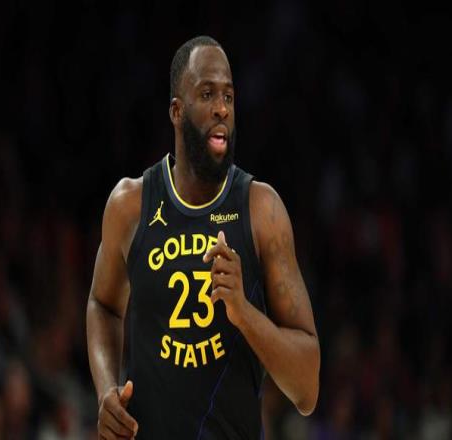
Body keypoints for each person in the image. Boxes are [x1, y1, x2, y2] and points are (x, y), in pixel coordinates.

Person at [86, 35, 320, 440]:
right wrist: (106, 389)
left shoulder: (261, 211)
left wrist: (243, 311)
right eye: (207, 94)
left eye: (228, 96)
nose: (222, 108)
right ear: (177, 112)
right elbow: (102, 305)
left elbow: (307, 390)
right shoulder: (129, 205)